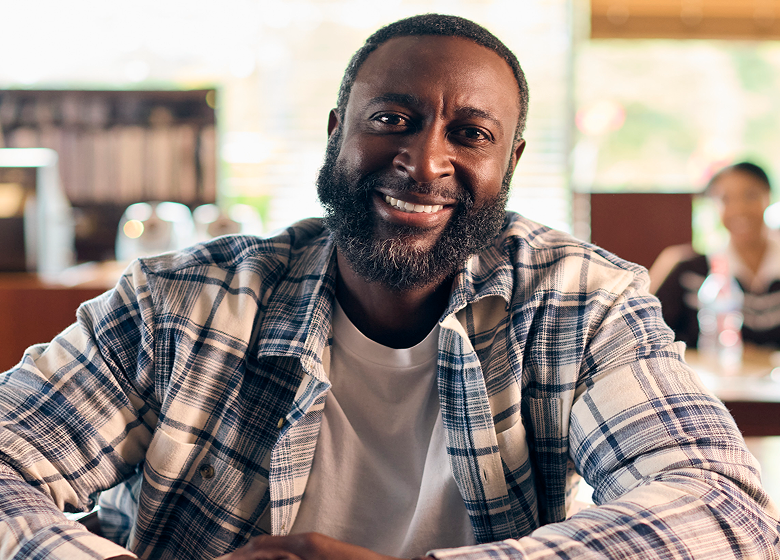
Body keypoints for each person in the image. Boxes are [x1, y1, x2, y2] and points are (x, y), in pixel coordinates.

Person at [0, 14, 778, 560]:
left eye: (469, 134)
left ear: (509, 163)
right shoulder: (180, 306)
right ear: (338, 130)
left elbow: (724, 506)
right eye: (393, 118)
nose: (425, 160)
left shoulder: (578, 302)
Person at [655, 161, 780, 349]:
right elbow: (650, 338)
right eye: (725, 199)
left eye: (750, 195)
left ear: (768, 197)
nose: (739, 209)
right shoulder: (691, 272)